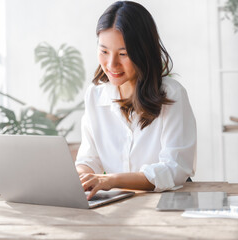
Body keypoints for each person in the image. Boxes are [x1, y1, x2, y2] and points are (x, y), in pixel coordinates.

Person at [75, 1, 197, 200]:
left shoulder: (171, 94)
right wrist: (82, 176)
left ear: (143, 52)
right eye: (104, 51)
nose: (111, 64)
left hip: (165, 202)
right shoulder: (94, 95)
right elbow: (89, 158)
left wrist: (111, 180)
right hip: (116, 203)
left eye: (123, 54)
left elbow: (174, 169)